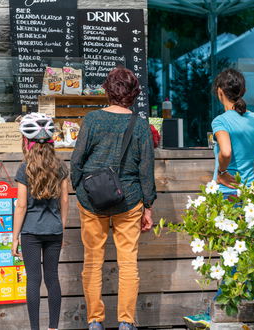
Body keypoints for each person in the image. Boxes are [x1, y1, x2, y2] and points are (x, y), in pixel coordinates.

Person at [71, 67, 156, 330]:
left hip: (92, 200)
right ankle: (125, 323)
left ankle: (95, 322)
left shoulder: (93, 120)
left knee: (93, 261)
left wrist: (81, 190)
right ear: (134, 94)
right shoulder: (141, 125)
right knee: (128, 262)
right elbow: (146, 170)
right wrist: (148, 206)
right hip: (129, 200)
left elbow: (76, 162)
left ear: (108, 90)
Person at [183, 69, 254, 329]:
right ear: (243, 91)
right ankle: (247, 306)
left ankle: (221, 308)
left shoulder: (221, 121)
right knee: (246, 252)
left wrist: (223, 172)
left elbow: (226, 151)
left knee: (229, 251)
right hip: (250, 194)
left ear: (220, 92)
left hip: (228, 195)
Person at [12, 113, 70, 330]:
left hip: (31, 232)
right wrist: (61, 228)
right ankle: (53, 328)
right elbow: (65, 200)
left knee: (33, 280)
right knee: (52, 279)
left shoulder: (25, 169)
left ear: (27, 142)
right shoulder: (61, 167)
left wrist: (14, 237)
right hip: (54, 231)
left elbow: (21, 206)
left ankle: (35, 328)